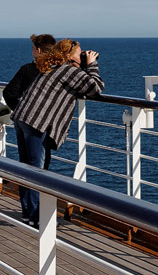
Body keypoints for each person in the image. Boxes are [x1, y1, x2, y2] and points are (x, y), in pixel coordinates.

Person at [11, 39, 103, 226]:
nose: (83, 55)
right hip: (36, 122)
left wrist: (83, 66)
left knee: (25, 167)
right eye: (79, 53)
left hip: (22, 118)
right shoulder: (69, 71)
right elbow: (95, 89)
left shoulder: (53, 66)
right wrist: (92, 64)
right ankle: (36, 218)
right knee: (36, 170)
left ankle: (28, 214)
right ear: (69, 55)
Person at [3, 33, 56, 170]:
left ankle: (26, 184)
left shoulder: (27, 69)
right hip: (43, 121)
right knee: (39, 163)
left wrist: (21, 109)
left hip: (23, 119)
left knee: (25, 161)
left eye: (33, 48)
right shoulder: (56, 72)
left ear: (39, 50)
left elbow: (9, 93)